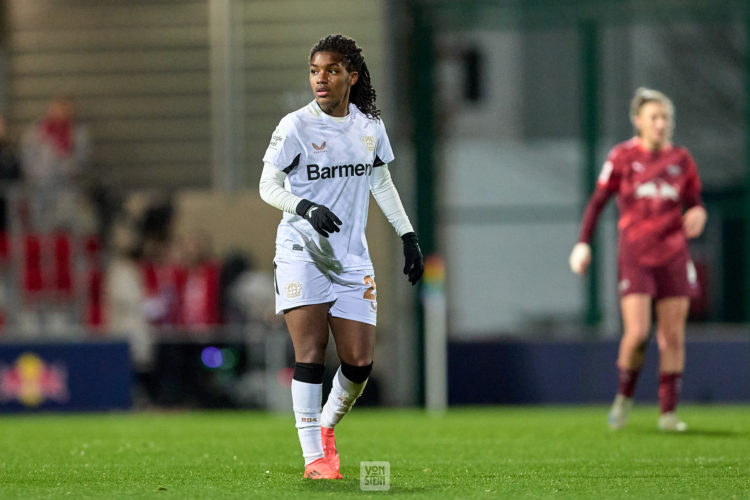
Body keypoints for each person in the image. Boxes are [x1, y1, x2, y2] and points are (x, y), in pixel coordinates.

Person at [259, 34, 424, 479]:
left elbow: (381, 183)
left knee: (358, 362)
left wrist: (407, 236)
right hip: (301, 252)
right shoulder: (295, 126)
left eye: (331, 70)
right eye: (314, 71)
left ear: (351, 76)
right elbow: (267, 185)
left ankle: (327, 426)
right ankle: (314, 457)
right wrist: (305, 208)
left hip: (352, 259)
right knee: (310, 354)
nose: (320, 79)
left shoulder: (368, 127)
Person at [569, 87, 707, 432]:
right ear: (638, 121)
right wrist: (583, 243)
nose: (661, 124)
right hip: (636, 256)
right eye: (654, 118)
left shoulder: (682, 161)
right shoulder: (622, 157)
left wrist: (699, 214)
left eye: (665, 118)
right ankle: (624, 397)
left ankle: (668, 414)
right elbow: (597, 202)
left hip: (674, 255)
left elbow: (695, 202)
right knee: (638, 334)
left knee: (672, 336)